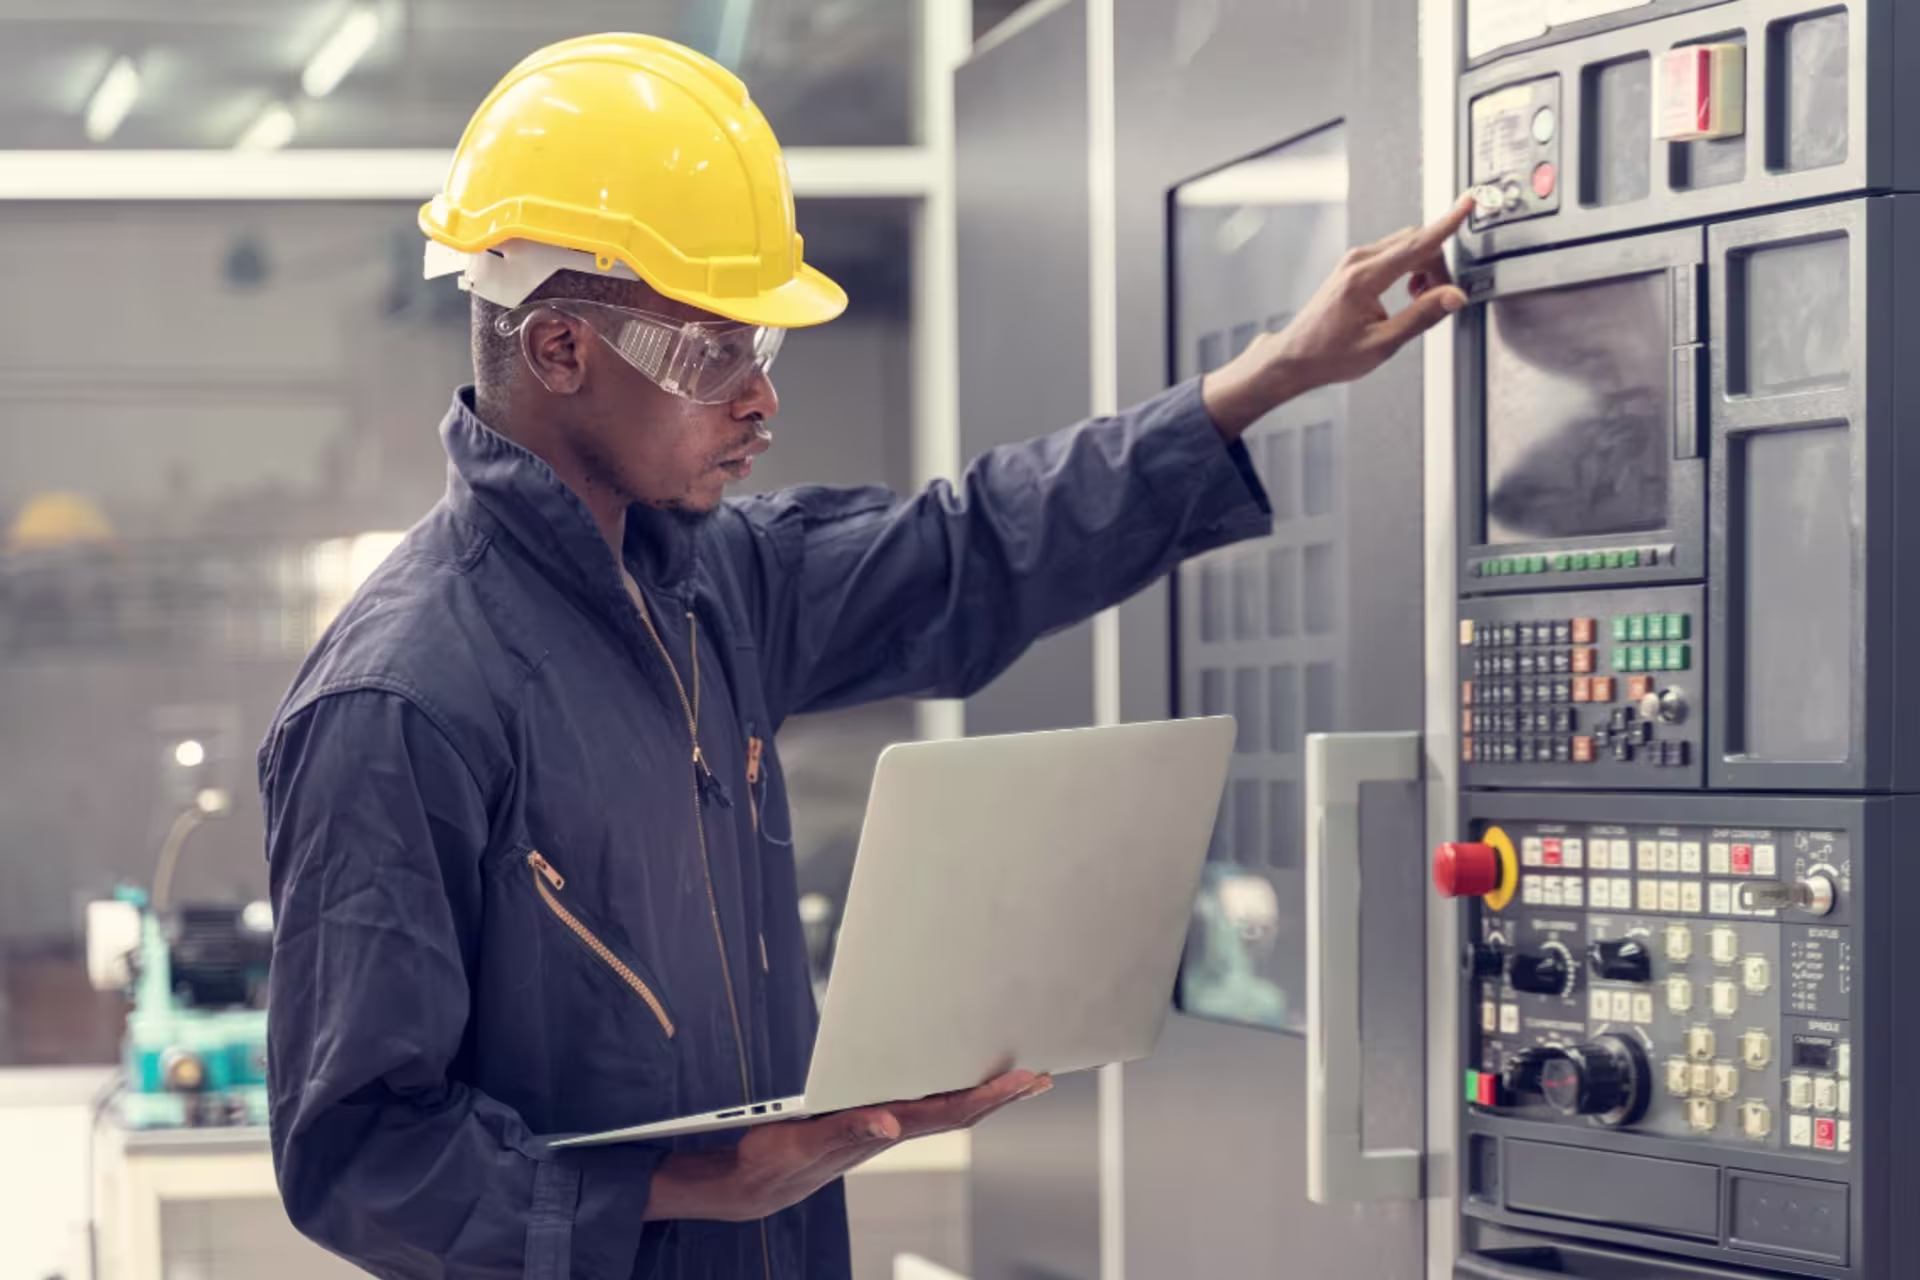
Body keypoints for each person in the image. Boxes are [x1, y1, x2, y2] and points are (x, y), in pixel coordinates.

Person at [257, 32, 1470, 1280]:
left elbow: (971, 549)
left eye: (761, 351)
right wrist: (686, 1186)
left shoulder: (713, 584)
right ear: (561, 348)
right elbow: (358, 1158)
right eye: (711, 350)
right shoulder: (401, 700)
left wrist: (1260, 381)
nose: (760, 401)